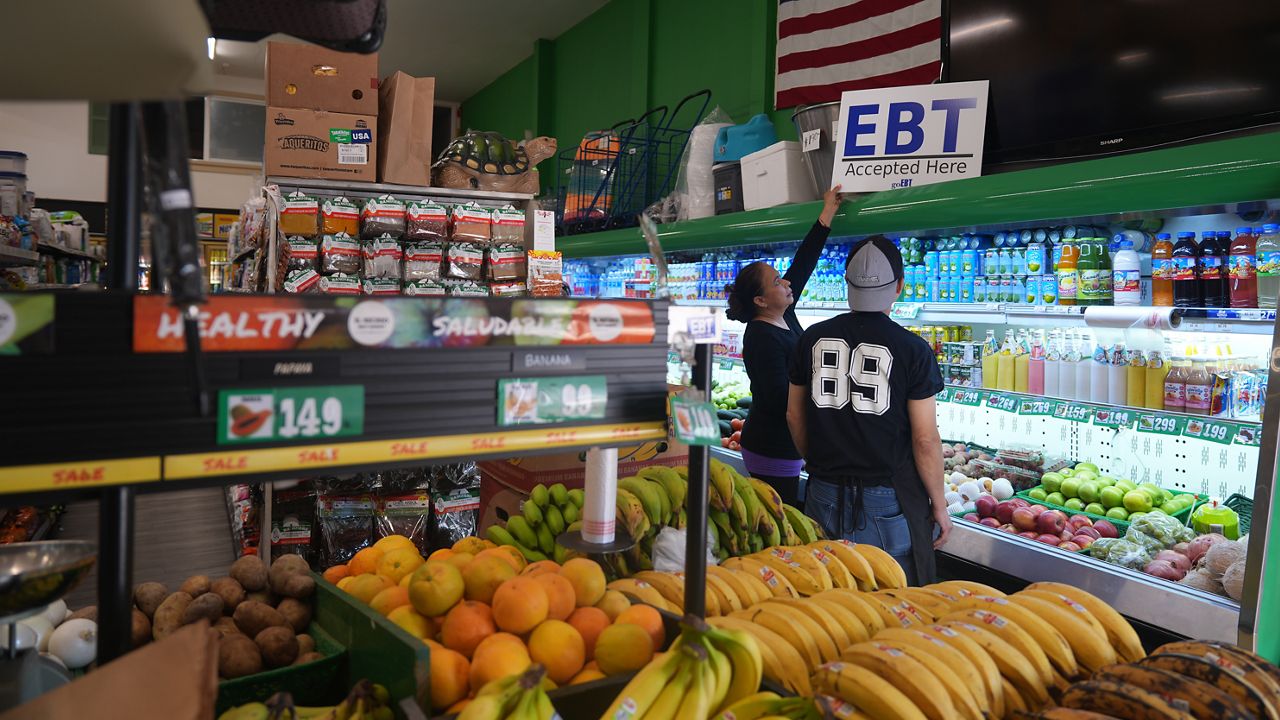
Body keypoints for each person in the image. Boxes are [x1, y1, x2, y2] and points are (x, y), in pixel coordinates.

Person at [785, 236, 950, 585]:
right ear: (899, 286)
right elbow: (925, 439)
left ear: (847, 283)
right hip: (885, 501)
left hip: (822, 491)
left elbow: (794, 415)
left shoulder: (811, 338)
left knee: (827, 596)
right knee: (888, 598)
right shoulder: (913, 349)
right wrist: (939, 503)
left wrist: (819, 462)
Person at [725, 186, 843, 506]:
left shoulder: (783, 314)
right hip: (772, 446)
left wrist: (827, 213)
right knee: (780, 518)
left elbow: (803, 264)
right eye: (777, 282)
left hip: (784, 442)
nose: (787, 283)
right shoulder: (760, 337)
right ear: (761, 300)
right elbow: (781, 400)